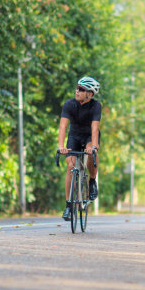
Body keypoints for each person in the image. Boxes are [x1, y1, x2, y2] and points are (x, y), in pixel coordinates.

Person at [57, 76, 101, 220]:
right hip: (74, 136)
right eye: (77, 88)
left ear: (90, 94)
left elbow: (95, 128)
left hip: (89, 136)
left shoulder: (96, 106)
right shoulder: (69, 104)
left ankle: (92, 180)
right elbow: (63, 126)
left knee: (91, 154)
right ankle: (69, 206)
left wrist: (93, 147)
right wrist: (61, 146)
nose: (77, 91)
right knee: (70, 167)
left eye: (81, 89)